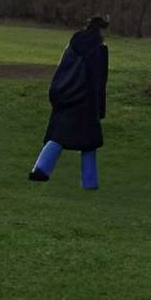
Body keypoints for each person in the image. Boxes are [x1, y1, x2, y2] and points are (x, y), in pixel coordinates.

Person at [29, 16, 109, 190]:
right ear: (101, 30)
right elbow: (99, 82)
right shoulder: (99, 50)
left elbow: (63, 69)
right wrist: (100, 109)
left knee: (57, 137)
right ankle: (89, 182)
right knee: (89, 143)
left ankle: (40, 170)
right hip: (87, 101)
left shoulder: (73, 44)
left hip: (67, 97)